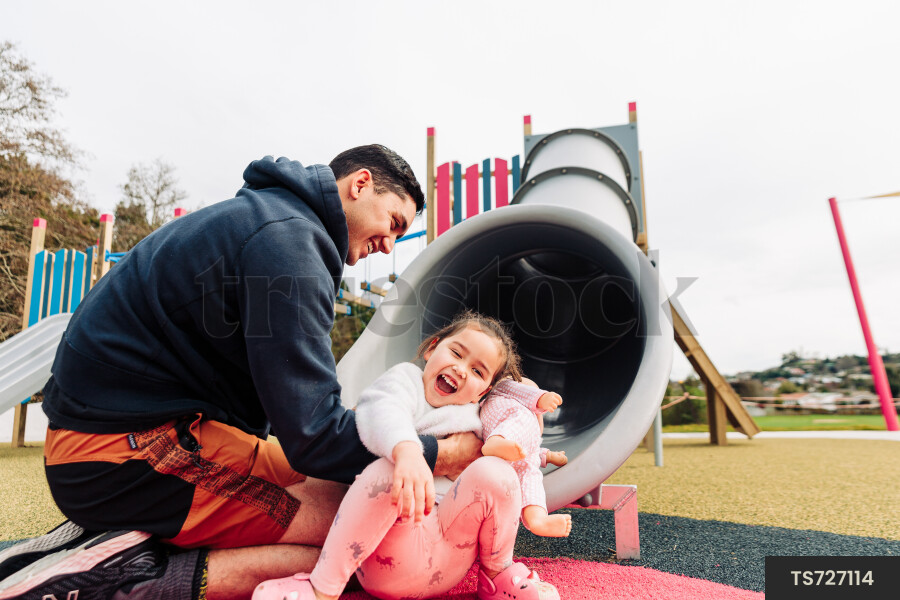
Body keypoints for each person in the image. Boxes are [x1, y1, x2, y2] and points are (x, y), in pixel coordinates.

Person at [6, 146, 483, 599]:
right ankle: (126, 579)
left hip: (150, 429)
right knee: (358, 538)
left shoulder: (273, 221)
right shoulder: (291, 249)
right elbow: (314, 435)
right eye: (393, 223)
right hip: (116, 455)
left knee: (343, 492)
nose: (388, 245)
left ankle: (148, 533)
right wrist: (439, 453)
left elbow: (287, 420)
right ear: (360, 184)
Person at [253, 311, 561, 600]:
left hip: (452, 553)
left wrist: (535, 450)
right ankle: (323, 588)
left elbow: (514, 450)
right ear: (431, 349)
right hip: (393, 554)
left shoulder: (479, 414)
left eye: (477, 371)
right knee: (387, 471)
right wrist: (409, 451)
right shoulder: (406, 382)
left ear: (484, 390)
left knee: (497, 471)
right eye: (456, 353)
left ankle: (497, 577)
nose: (461, 369)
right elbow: (382, 410)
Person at [480, 378, 573, 537]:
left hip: (515, 457)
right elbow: (524, 392)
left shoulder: (530, 437)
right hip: (499, 431)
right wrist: (542, 398)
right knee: (522, 419)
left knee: (531, 477)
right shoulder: (505, 390)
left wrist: (551, 456)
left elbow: (533, 452)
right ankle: (497, 441)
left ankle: (538, 520)